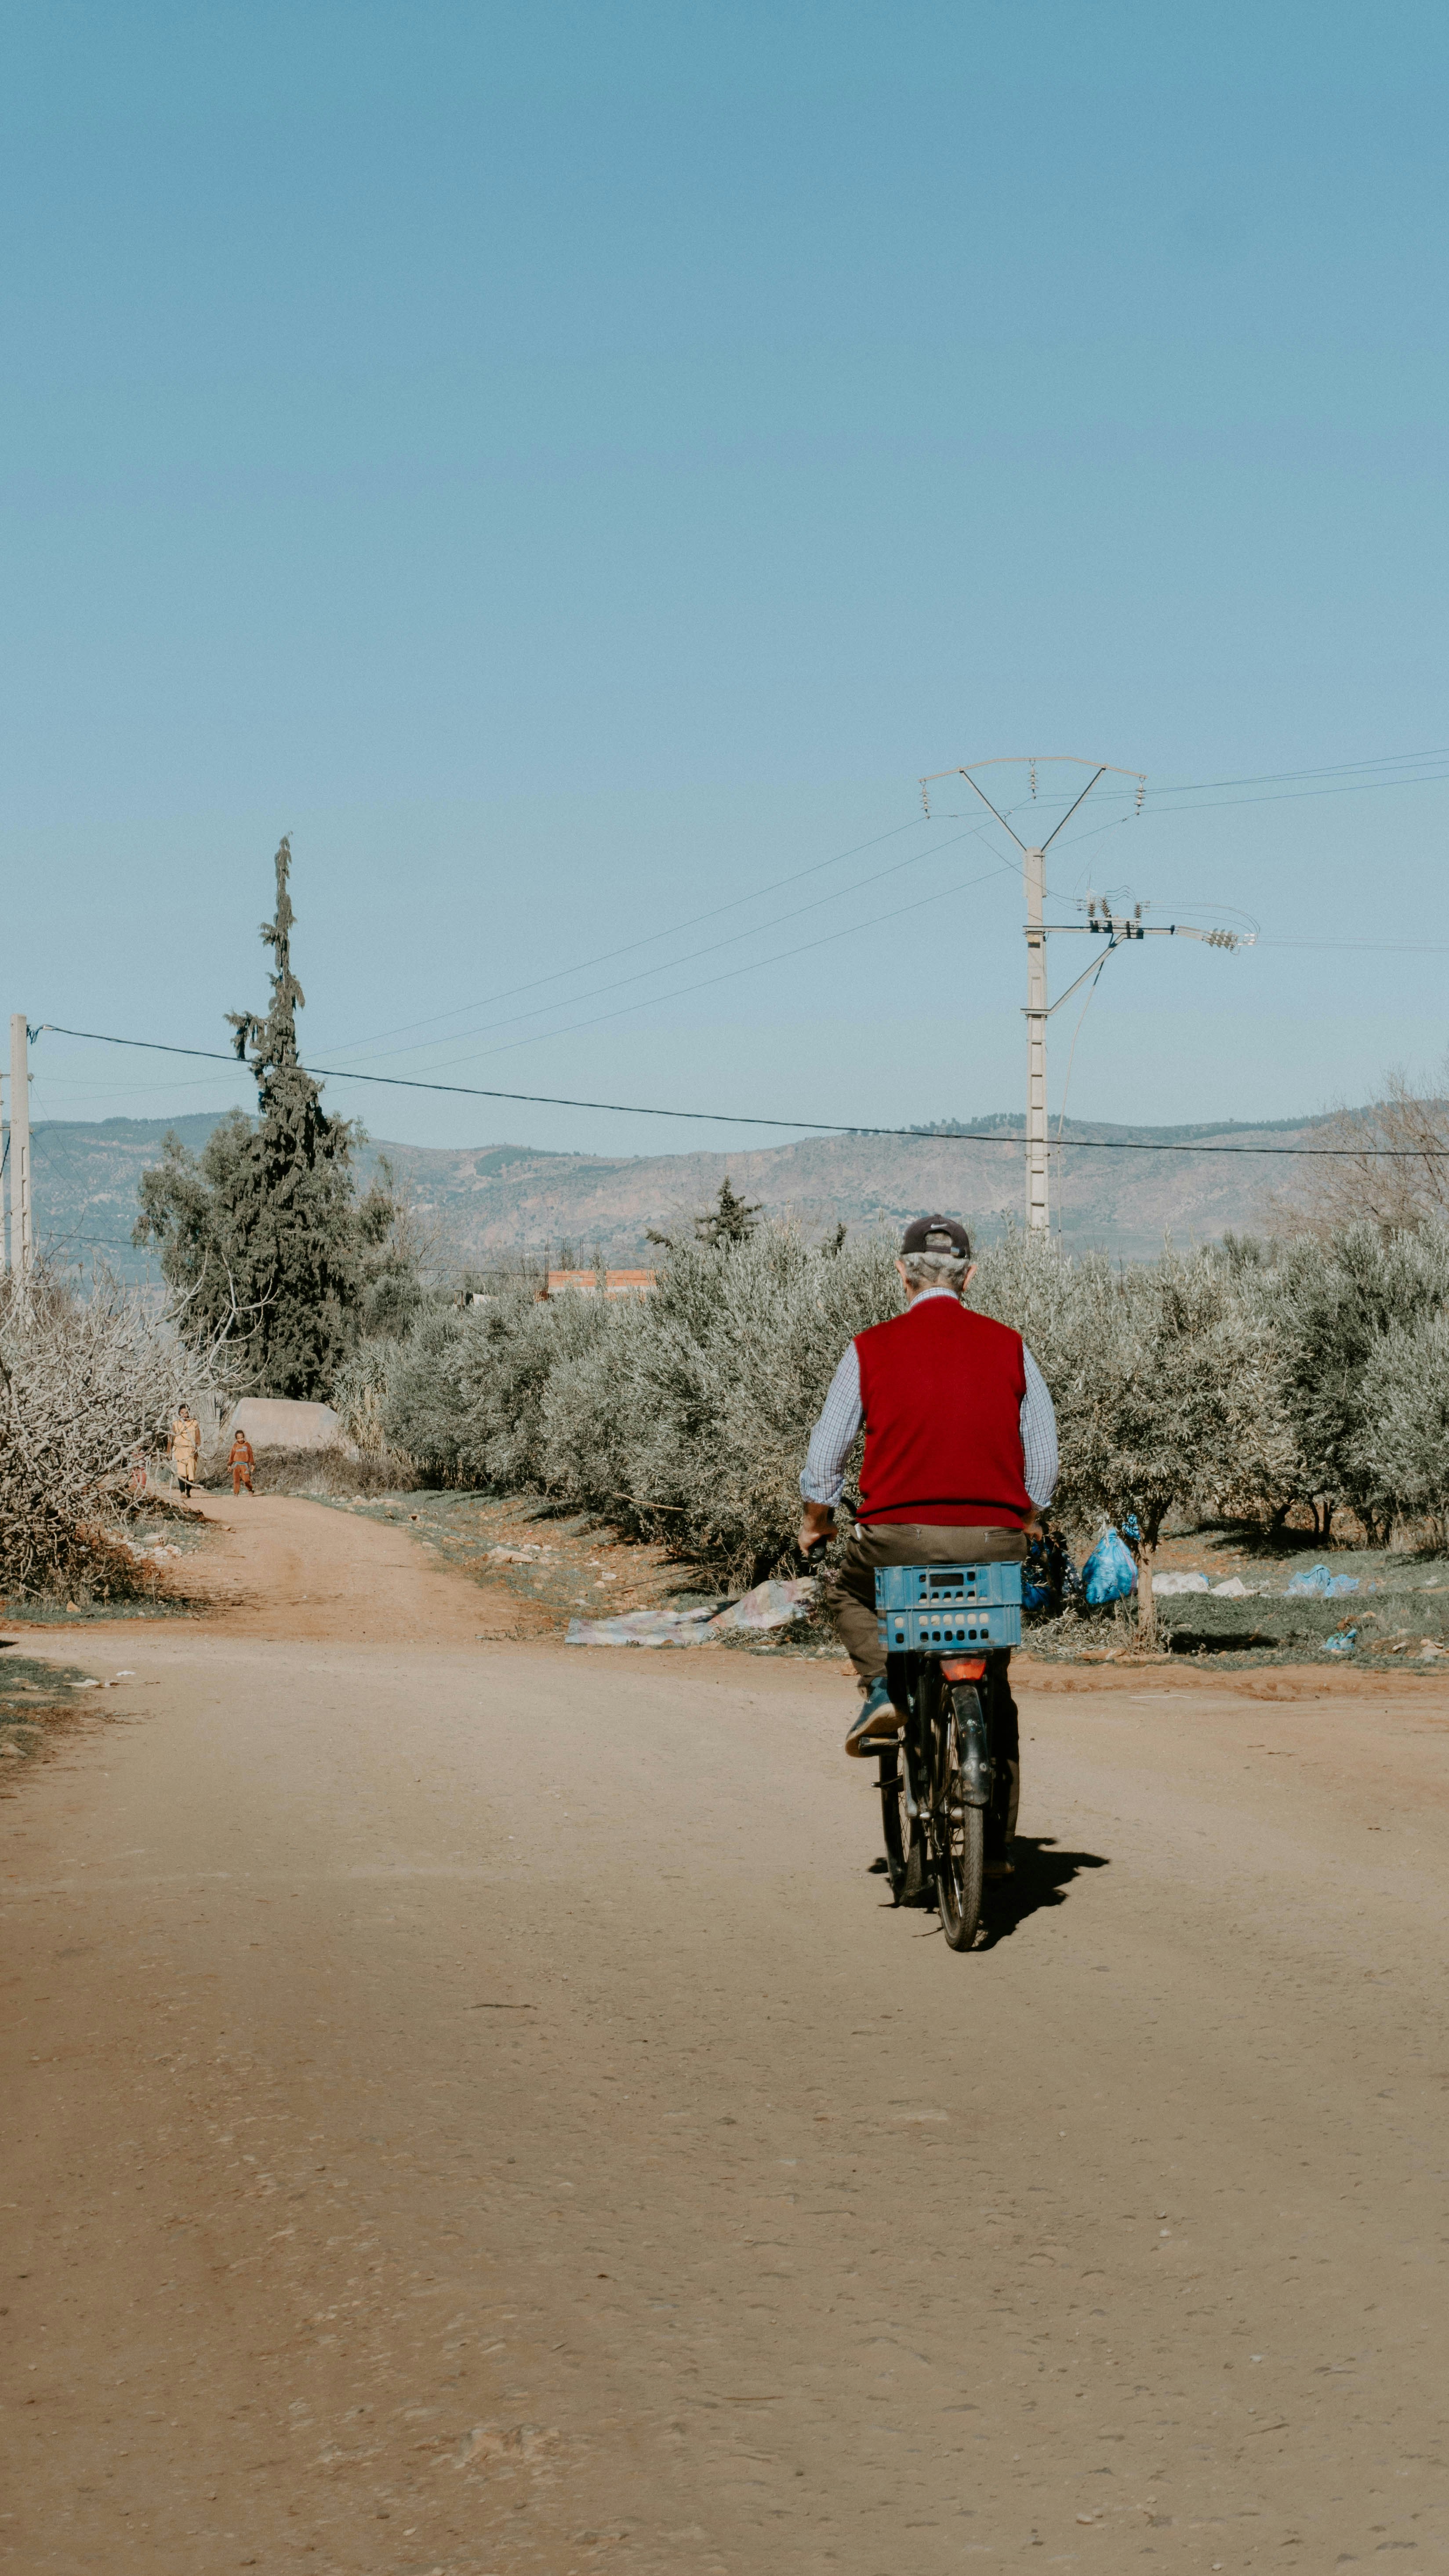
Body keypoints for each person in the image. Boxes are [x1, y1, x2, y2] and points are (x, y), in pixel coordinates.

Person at [798, 1215, 1059, 1857]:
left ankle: (883, 1690)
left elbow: (826, 1455)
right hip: (994, 1539)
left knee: (848, 1595)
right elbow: (1044, 1458)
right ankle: (993, 1845)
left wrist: (818, 1521)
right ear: (970, 1275)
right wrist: (1027, 1517)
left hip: (896, 1538)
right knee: (992, 1667)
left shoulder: (869, 1347)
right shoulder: (1010, 1345)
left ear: (901, 1272)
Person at [171, 1405, 200, 1499]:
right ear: (179, 1413)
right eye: (182, 1412)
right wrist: (168, 1452)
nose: (185, 1415)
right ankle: (182, 1492)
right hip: (180, 1451)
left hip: (191, 1452)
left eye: (187, 1412)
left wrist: (197, 1447)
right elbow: (171, 1438)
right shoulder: (176, 1424)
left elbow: (198, 1437)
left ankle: (188, 1491)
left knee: (191, 1473)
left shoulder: (194, 1423)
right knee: (182, 1472)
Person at [228, 1428, 256, 1496]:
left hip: (245, 1465)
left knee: (246, 1479)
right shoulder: (235, 1446)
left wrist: (252, 1464)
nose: (241, 1439)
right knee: (236, 1479)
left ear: (244, 1437)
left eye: (242, 1438)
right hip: (236, 1465)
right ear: (237, 1439)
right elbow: (232, 1455)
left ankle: (250, 1490)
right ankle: (236, 1492)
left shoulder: (247, 1445)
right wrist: (229, 1465)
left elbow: (251, 1455)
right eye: (239, 1438)